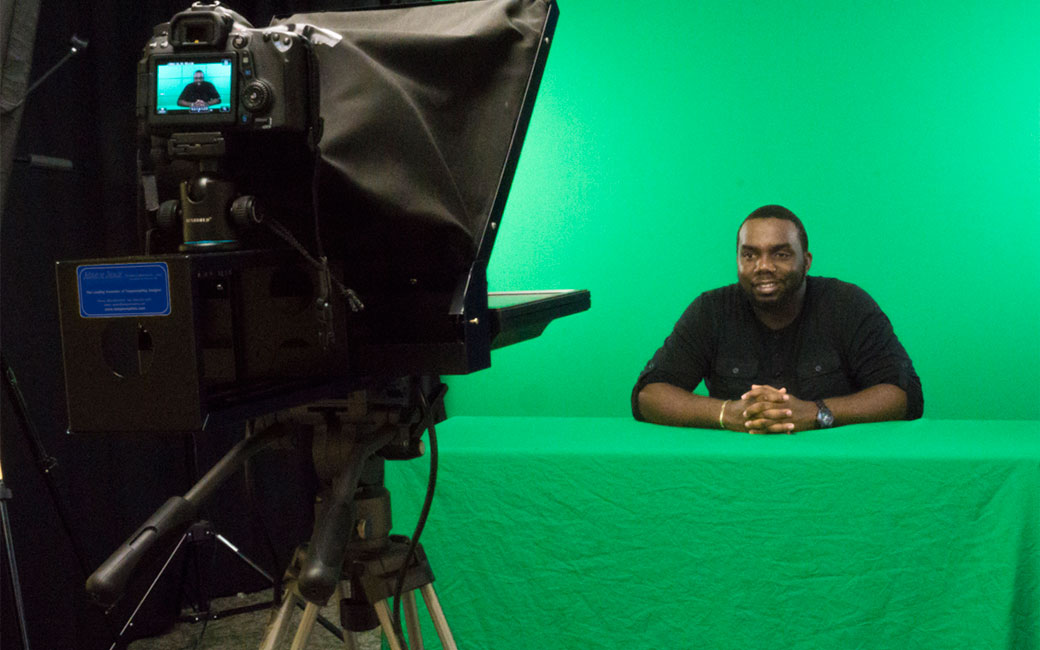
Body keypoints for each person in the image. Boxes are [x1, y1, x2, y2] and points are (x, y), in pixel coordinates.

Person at [632, 204, 923, 433]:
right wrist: (726, 414)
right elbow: (649, 395)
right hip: (731, 474)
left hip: (837, 474)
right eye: (749, 255)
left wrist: (814, 413)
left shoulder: (847, 304)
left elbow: (903, 396)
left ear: (806, 261)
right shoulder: (710, 310)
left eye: (781, 254)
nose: (763, 267)